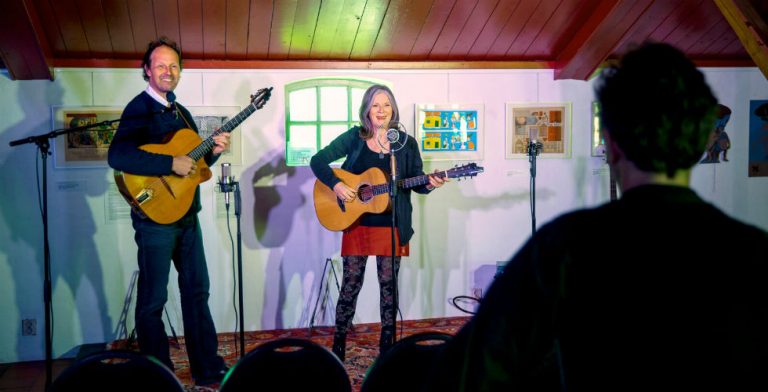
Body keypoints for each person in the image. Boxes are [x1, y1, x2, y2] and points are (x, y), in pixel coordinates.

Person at [424, 43, 768, 391]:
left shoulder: (564, 246)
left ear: (611, 143)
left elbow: (468, 373)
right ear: (700, 143)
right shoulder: (755, 251)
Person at [107, 37, 230, 386]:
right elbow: (118, 156)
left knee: (196, 291)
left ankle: (206, 366)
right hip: (155, 222)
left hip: (187, 216)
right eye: (160, 65)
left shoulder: (180, 110)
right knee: (153, 299)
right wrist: (168, 162)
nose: (168, 71)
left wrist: (215, 150)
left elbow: (195, 165)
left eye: (174, 66)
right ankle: (158, 374)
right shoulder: (139, 108)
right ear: (146, 70)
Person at [309, 84, 446, 361]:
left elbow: (415, 181)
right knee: (351, 284)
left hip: (392, 224)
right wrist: (335, 184)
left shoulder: (405, 143)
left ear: (393, 108)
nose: (381, 110)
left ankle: (387, 346)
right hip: (357, 221)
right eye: (375, 105)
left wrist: (430, 184)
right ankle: (339, 341)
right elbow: (318, 160)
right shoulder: (355, 137)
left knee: (388, 286)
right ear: (366, 110)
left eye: (386, 104)